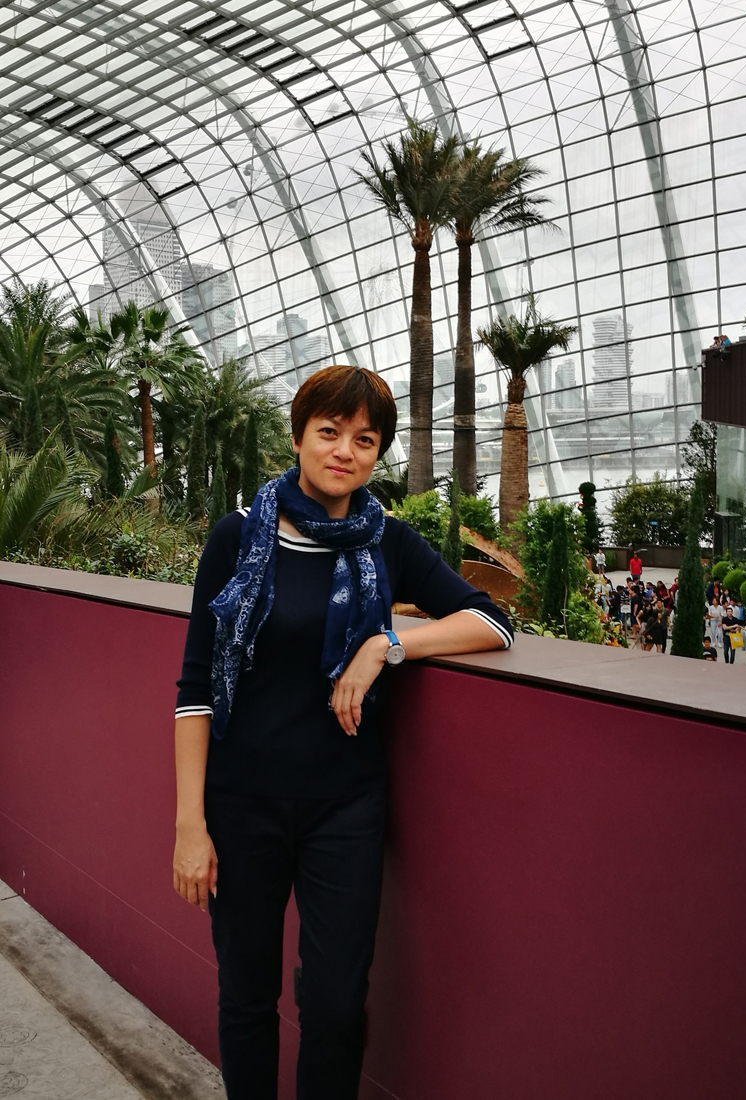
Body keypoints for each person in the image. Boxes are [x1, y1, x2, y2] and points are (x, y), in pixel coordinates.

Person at [171, 365, 513, 1100]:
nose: (344, 451)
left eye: (365, 439)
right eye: (329, 432)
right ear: (298, 436)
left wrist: (386, 642)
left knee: (334, 1005)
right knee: (247, 995)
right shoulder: (237, 538)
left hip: (345, 808)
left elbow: (490, 622)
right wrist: (189, 825)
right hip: (241, 804)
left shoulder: (388, 542)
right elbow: (195, 691)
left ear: (378, 452)